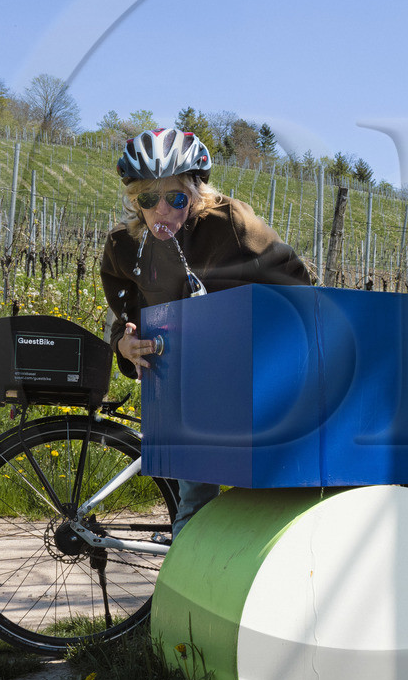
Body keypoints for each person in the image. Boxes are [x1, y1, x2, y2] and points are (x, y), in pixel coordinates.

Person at [100, 127, 314, 535]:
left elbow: (297, 284)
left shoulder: (232, 224)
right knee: (195, 502)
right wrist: (125, 344)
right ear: (135, 201)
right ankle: (187, 589)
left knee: (268, 494)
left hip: (247, 377)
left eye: (176, 198)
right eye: (149, 199)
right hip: (183, 386)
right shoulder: (124, 246)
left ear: (196, 192)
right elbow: (125, 317)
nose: (162, 210)